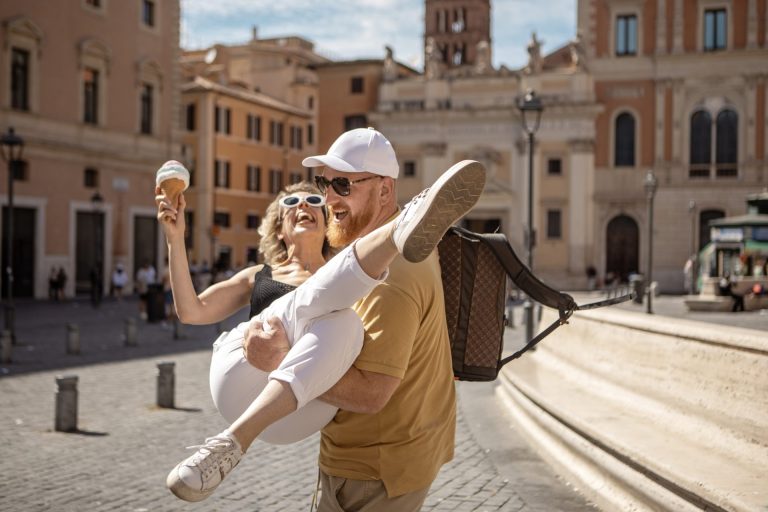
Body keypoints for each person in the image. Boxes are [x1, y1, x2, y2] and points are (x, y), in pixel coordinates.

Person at [161, 159, 484, 503]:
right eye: (291, 203)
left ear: (329, 221)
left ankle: (234, 442)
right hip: (242, 379)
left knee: (343, 322)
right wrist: (175, 239)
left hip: (297, 411)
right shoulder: (260, 275)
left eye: (315, 201)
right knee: (307, 302)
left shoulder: (352, 275)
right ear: (279, 229)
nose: (304, 205)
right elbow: (191, 310)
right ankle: (397, 228)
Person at [245, 127, 486, 511]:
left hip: (373, 469)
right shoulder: (376, 252)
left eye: (343, 185)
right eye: (324, 184)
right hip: (395, 452)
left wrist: (278, 360)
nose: (328, 199)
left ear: (385, 191)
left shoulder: (390, 275)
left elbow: (372, 392)